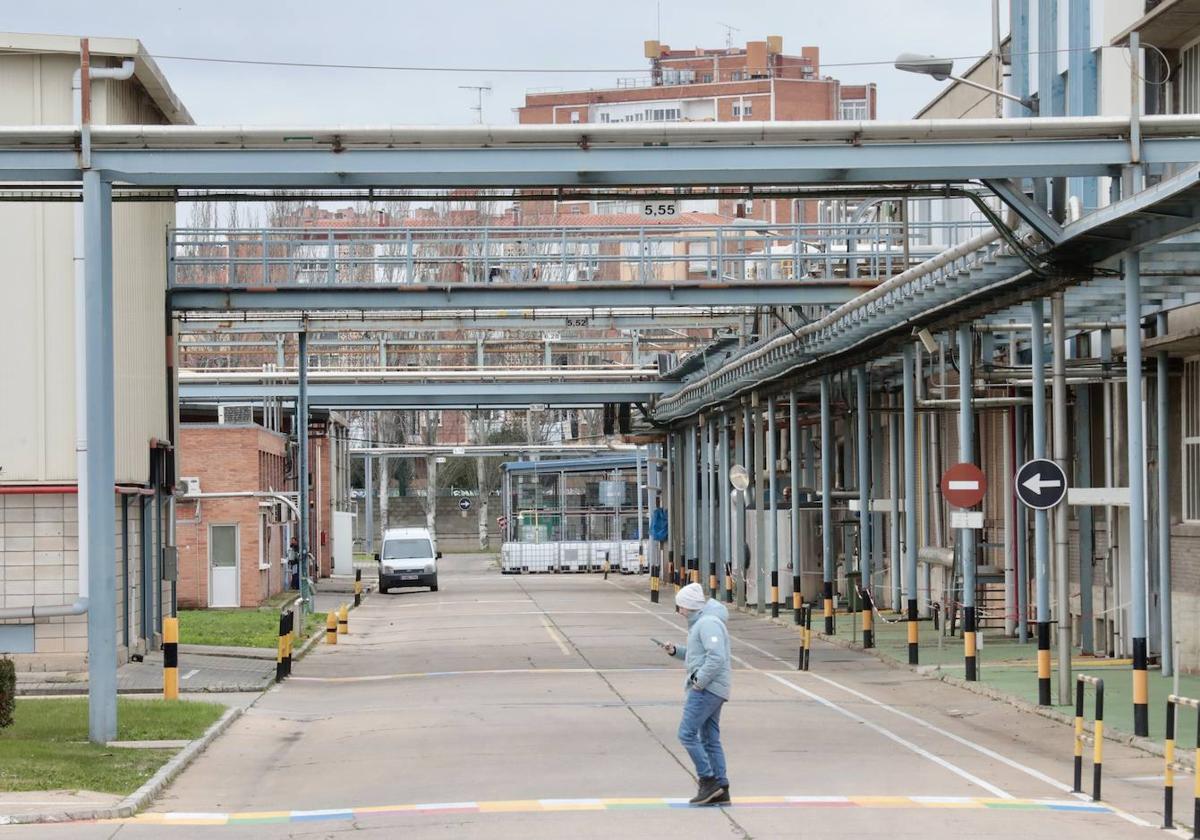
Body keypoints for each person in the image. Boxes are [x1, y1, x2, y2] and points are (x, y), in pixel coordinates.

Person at [661, 582, 732, 805]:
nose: (678, 612)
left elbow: (716, 657)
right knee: (710, 739)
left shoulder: (707, 624)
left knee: (686, 734)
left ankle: (708, 780)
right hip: (713, 688)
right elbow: (697, 655)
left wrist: (698, 682)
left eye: (679, 607)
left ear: (688, 607)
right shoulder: (701, 624)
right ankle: (721, 788)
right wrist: (675, 651)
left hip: (707, 689)